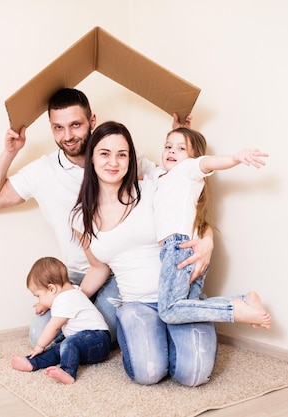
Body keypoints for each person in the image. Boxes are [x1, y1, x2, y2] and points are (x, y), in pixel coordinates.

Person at [0, 88, 215, 346]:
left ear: (91, 122)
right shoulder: (42, 171)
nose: (68, 135)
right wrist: (10, 151)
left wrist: (207, 239)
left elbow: (177, 193)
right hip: (78, 274)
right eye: (58, 127)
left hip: (119, 274)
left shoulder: (118, 159)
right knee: (43, 336)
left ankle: (165, 321)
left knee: (103, 333)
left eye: (76, 125)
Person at [71, 121, 217, 387]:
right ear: (91, 158)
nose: (113, 161)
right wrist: (71, 302)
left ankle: (182, 324)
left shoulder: (153, 187)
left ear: (131, 159)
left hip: (179, 296)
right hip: (137, 305)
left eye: (122, 154)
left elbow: (194, 218)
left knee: (193, 375)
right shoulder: (82, 218)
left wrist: (208, 242)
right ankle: (151, 333)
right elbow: (99, 268)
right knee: (148, 374)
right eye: (104, 153)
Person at [153, 127, 272, 329]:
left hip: (178, 249)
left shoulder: (187, 170)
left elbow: (206, 162)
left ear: (192, 156)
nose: (172, 151)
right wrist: (179, 128)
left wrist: (235, 158)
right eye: (168, 146)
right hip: (188, 250)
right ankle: (244, 299)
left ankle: (234, 309)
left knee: (169, 310)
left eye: (180, 148)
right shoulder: (160, 176)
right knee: (190, 307)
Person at [11, 257, 111, 384]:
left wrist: (39, 346)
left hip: (97, 339)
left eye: (39, 296)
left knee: (68, 343)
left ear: (52, 289)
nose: (39, 300)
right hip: (90, 343)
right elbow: (53, 301)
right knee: (58, 349)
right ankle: (32, 363)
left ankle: (68, 372)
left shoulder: (65, 300)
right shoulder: (73, 291)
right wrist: (45, 303)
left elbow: (53, 326)